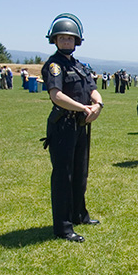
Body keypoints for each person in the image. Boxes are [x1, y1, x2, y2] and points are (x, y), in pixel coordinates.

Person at [42, 13, 103, 243]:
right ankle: (63, 227)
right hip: (63, 125)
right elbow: (56, 95)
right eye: (62, 38)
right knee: (63, 176)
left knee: (81, 171)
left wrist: (98, 103)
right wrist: (83, 108)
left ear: (77, 41)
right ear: (55, 40)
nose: (66, 42)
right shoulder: (54, 65)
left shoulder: (80, 66)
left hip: (80, 124)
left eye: (70, 38)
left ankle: (79, 214)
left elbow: (92, 88)